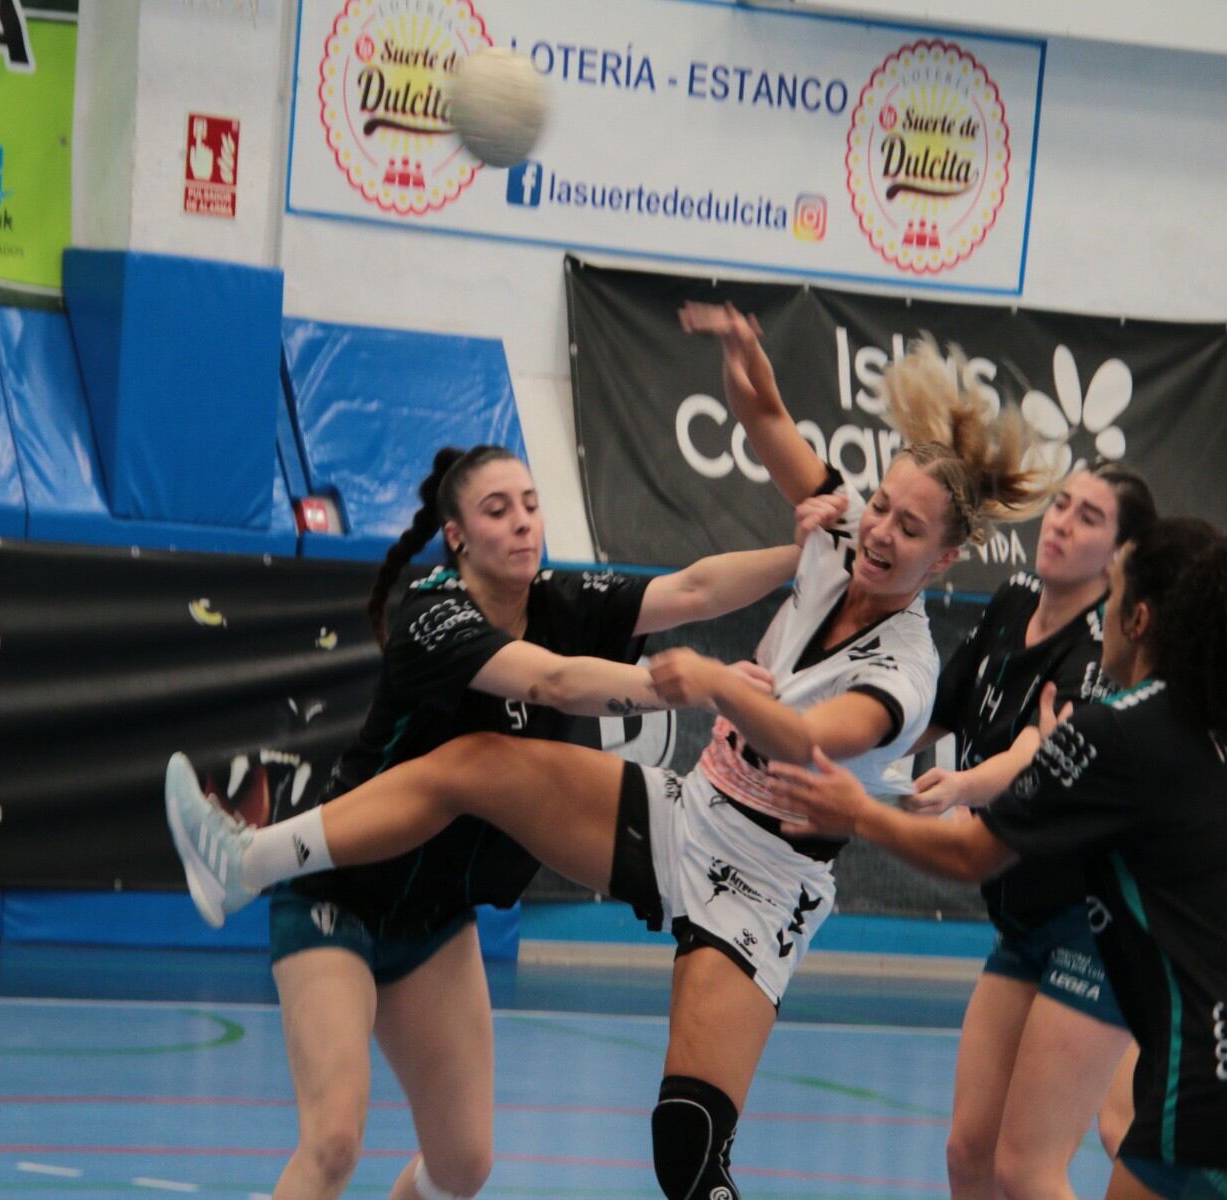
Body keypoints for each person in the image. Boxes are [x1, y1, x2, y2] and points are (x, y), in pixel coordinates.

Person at [167, 319, 1055, 1200]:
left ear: (945, 558)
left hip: (764, 879)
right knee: (478, 758)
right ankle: (248, 858)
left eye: (910, 529)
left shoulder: (907, 666)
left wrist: (714, 680)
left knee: (687, 1148)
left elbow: (816, 740)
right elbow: (768, 424)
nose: (882, 530)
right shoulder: (839, 536)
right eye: (882, 508)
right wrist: (745, 362)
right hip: (688, 812)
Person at [167, 443, 829, 1200]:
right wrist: (699, 687)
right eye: (496, 510)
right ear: (457, 537)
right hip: (337, 898)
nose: (521, 523)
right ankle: (246, 861)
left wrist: (807, 558)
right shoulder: (433, 613)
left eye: (529, 504)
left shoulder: (558, 598)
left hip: (436, 921)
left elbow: (696, 588)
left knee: (463, 1166)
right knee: (336, 1138)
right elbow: (552, 680)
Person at [767, 518, 1227, 1200]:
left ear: (1137, 619)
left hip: (1223, 1079)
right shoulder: (1225, 739)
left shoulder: (1119, 727)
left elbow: (969, 856)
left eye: (1112, 594)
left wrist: (857, 811)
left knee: (1029, 1166)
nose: (1097, 614)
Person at [905, 461, 1156, 1200]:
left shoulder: (1100, 646)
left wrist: (960, 787)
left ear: (1119, 559)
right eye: (1060, 504)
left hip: (1092, 923)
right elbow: (937, 712)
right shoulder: (1013, 598)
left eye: (1087, 517)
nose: (1060, 521)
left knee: (1029, 1167)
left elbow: (1031, 756)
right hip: (1022, 918)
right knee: (968, 1153)